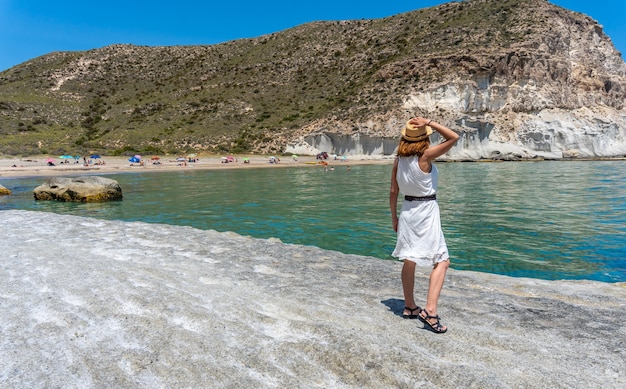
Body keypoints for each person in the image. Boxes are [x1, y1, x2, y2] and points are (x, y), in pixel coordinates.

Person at [389, 117, 459, 333]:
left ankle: (409, 306)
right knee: (442, 261)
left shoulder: (399, 160)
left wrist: (394, 218)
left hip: (407, 211)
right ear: (424, 138)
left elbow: (393, 191)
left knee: (410, 258)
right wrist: (430, 121)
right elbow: (454, 137)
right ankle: (430, 310)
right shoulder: (426, 156)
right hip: (426, 211)